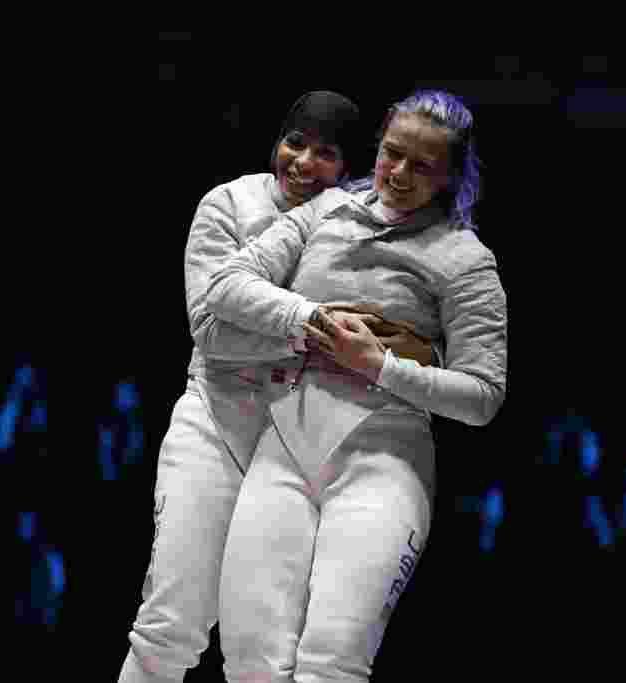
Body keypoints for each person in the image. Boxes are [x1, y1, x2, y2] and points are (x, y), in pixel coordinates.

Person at [118, 91, 436, 683]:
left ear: (349, 165)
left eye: (326, 153)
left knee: (266, 658)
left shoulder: (354, 225)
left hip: (290, 445)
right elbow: (211, 330)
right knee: (173, 625)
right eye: (295, 143)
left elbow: (392, 325)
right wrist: (317, 331)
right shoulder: (229, 204)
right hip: (214, 427)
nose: (303, 162)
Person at [205, 89, 507, 682]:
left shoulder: (466, 260)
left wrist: (380, 365)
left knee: (331, 664)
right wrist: (311, 319)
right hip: (285, 445)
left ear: (450, 177)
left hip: (384, 458)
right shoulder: (326, 212)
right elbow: (225, 285)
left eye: (422, 166)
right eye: (392, 154)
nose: (398, 174)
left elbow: (482, 395)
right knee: (249, 664)